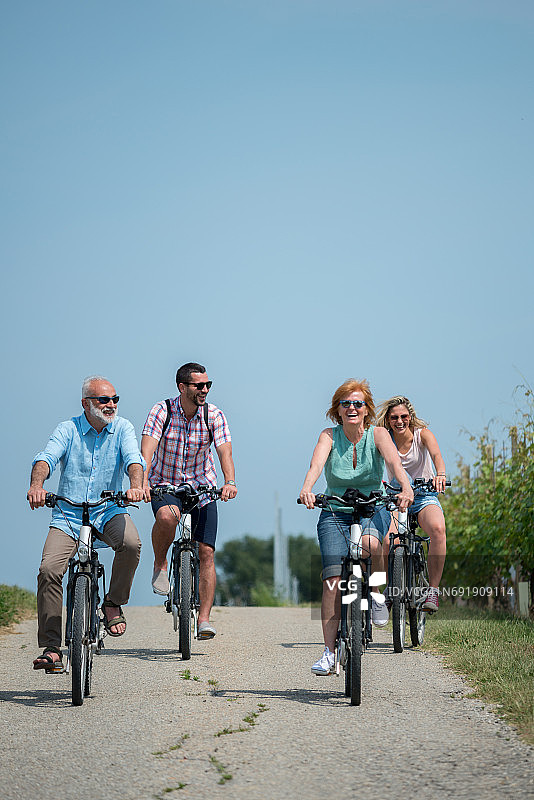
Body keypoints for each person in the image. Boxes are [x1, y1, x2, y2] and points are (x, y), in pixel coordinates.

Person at [27, 376, 145, 673]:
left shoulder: (123, 428)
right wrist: (37, 485)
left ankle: (113, 602)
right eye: (103, 400)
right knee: (49, 570)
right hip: (68, 515)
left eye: (115, 399)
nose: (111, 405)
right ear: (86, 404)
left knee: (131, 544)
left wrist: (136, 486)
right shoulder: (68, 429)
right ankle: (53, 647)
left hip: (108, 510)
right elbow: (46, 458)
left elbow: (134, 459)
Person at [299, 379, 413, 676]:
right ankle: (328, 652)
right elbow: (315, 465)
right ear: (337, 409)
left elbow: (394, 464)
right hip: (335, 511)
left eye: (357, 404)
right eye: (345, 403)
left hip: (371, 508)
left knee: (373, 545)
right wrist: (307, 488)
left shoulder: (378, 434)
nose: (352, 408)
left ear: (367, 409)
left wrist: (405, 487)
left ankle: (375, 593)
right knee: (333, 582)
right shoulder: (328, 435)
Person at [141, 362, 237, 640]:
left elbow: (224, 453)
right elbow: (146, 451)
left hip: (202, 487)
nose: (204, 390)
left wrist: (229, 482)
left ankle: (204, 619)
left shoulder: (214, 415)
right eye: (199, 385)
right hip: (164, 484)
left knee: (206, 552)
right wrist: (140, 483)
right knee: (167, 517)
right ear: (182, 387)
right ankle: (160, 563)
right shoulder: (162, 411)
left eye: (208, 385)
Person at [376, 395, 447, 612]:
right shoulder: (384, 438)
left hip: (424, 495)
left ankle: (433, 591)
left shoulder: (422, 435)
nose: (399, 421)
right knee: (388, 541)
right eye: (394, 417)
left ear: (410, 417)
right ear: (388, 420)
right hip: (397, 498)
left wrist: (440, 474)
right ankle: (391, 588)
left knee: (438, 529)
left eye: (404, 416)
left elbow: (436, 456)